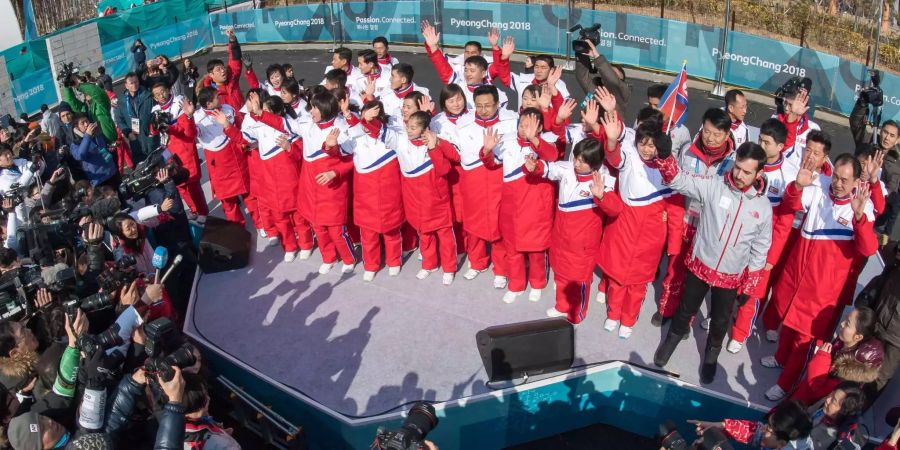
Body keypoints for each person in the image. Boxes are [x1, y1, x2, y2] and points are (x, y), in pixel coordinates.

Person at [762, 152, 879, 401]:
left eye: (845, 180)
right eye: (836, 176)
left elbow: (868, 249)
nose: (838, 183)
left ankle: (786, 383)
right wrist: (798, 186)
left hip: (822, 291)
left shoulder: (863, 207)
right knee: (788, 324)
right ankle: (780, 358)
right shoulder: (819, 186)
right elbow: (792, 203)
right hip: (797, 276)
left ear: (857, 182)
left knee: (803, 341)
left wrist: (858, 218)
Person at [653, 142, 772, 384]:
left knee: (719, 320)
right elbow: (679, 180)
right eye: (738, 168)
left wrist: (750, 285)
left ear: (759, 174)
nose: (739, 175)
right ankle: (672, 339)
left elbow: (760, 249)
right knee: (686, 308)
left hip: (730, 276)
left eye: (747, 172)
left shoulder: (763, 208)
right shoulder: (714, 185)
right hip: (700, 264)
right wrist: (665, 155)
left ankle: (710, 357)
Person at [599, 118, 684, 338]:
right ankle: (613, 314)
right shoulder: (630, 158)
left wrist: (673, 244)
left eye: (652, 145)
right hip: (624, 231)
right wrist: (610, 139)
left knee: (638, 285)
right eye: (643, 144)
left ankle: (628, 319)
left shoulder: (670, 168)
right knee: (617, 279)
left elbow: (675, 208)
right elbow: (614, 156)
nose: (647, 150)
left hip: (651, 238)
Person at [525, 137, 621, 324]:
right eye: (576, 157)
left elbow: (615, 209)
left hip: (583, 245)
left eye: (583, 161)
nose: (577, 163)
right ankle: (561, 305)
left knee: (579, 280)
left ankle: (577, 314)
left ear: (595, 163)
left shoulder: (604, 178)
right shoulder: (568, 168)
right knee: (560, 273)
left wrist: (601, 196)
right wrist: (534, 166)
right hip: (561, 238)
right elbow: (548, 168)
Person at [655, 108, 736, 327]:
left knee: (696, 280)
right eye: (707, 132)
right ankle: (666, 308)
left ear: (727, 135)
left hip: (709, 229)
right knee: (674, 269)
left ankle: (685, 319)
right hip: (684, 221)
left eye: (717, 134)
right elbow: (676, 184)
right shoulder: (688, 152)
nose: (710, 138)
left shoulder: (732, 163)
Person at [727, 118, 798, 353]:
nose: (761, 145)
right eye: (760, 139)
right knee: (728, 281)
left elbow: (785, 222)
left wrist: (772, 256)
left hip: (763, 248)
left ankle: (739, 333)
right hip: (738, 239)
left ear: (780, 146)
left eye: (766, 142)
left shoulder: (789, 175)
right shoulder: (749, 163)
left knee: (753, 291)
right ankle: (723, 316)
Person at [443, 85, 518, 288]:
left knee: (498, 226)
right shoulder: (463, 124)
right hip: (473, 181)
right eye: (479, 106)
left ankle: (501, 270)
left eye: (488, 105)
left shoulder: (511, 121)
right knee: (472, 224)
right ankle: (477, 263)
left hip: (499, 181)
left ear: (497, 104)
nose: (483, 109)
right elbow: (456, 154)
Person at [480, 108, 557, 303]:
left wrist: (535, 139)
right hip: (511, 205)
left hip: (535, 206)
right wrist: (487, 151)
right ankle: (516, 284)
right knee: (512, 248)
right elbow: (491, 164)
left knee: (536, 250)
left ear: (539, 127)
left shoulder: (547, 142)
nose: (525, 129)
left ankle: (538, 283)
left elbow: (552, 156)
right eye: (522, 124)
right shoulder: (506, 141)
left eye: (530, 125)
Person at [386, 111, 457, 283]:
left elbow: (444, 170)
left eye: (413, 127)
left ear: (425, 129)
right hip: (414, 199)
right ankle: (429, 264)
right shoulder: (401, 141)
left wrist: (433, 147)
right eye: (408, 126)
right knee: (424, 234)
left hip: (437, 200)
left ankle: (449, 268)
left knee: (445, 235)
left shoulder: (435, 142)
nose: (409, 130)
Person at [293, 91, 356, 275]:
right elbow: (283, 124)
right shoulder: (309, 125)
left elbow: (353, 160)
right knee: (318, 227)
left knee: (336, 230)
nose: (310, 111)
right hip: (311, 186)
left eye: (314, 108)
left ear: (325, 109)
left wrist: (334, 169)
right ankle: (328, 257)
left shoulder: (341, 129)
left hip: (332, 189)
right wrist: (260, 114)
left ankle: (348, 258)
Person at [341, 102, 405, 280]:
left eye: (373, 114)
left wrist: (369, 121)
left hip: (389, 191)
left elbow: (377, 129)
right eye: (365, 114)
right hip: (365, 193)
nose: (368, 118)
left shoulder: (392, 133)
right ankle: (371, 264)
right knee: (368, 233)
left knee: (391, 230)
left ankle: (394, 261)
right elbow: (339, 149)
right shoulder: (355, 136)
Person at [242, 93, 306, 263]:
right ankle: (290, 246)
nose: (262, 114)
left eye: (265, 111)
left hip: (290, 180)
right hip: (271, 183)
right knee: (280, 218)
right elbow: (243, 139)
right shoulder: (260, 128)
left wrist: (289, 148)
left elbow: (299, 154)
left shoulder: (289, 126)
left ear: (276, 113)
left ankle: (306, 244)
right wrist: (227, 126)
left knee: (298, 216)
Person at [193, 87, 257, 226]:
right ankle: (238, 229)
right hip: (219, 166)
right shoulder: (197, 118)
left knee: (249, 194)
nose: (220, 98)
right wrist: (186, 117)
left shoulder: (228, 108)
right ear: (209, 104)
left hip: (238, 160)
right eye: (216, 97)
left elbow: (241, 127)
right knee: (228, 202)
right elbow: (191, 133)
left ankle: (262, 225)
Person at [421, 21, 512, 110]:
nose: (468, 74)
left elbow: (499, 67)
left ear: (483, 73)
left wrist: (497, 49)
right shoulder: (458, 84)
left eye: (472, 71)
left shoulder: (495, 93)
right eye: (466, 70)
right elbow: (441, 65)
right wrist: (432, 46)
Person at [149, 82, 208, 221]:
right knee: (180, 185)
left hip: (185, 148)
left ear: (168, 89)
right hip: (168, 151)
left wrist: (169, 127)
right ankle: (194, 210)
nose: (161, 96)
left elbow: (187, 132)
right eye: (157, 95)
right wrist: (154, 127)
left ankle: (203, 213)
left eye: (162, 91)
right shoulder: (155, 109)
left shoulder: (180, 102)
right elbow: (153, 132)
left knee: (192, 183)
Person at [856, 241, 900, 399]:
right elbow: (886, 250)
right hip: (877, 320)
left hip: (896, 339)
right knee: (859, 360)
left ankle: (857, 411)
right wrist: (896, 249)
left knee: (880, 377)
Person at [689, 401, 813, 450]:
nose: (762, 428)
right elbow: (754, 431)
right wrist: (720, 426)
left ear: (781, 444)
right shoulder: (785, 435)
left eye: (768, 428)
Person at [201, 28, 259, 113]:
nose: (223, 71)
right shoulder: (209, 95)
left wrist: (232, 40)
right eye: (218, 70)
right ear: (211, 75)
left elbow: (235, 60)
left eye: (223, 67)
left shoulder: (232, 80)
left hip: (245, 122)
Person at [573, 38, 630, 117]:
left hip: (610, 127)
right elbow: (581, 76)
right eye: (609, 71)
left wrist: (597, 57)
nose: (607, 74)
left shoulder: (623, 93)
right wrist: (581, 52)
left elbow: (613, 81)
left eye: (615, 75)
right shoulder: (595, 89)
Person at [61, 71, 117, 144]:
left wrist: (78, 85)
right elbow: (72, 103)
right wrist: (67, 87)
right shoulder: (85, 107)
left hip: (108, 140)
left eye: (87, 89)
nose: (86, 92)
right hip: (96, 144)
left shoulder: (101, 103)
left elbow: (96, 93)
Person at [114, 71, 158, 163]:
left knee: (155, 164)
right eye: (132, 83)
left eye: (136, 82)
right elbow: (119, 120)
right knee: (141, 166)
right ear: (126, 85)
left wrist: (153, 127)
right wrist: (128, 133)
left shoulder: (148, 96)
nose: (135, 85)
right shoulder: (121, 101)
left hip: (150, 137)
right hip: (135, 139)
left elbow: (157, 113)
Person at [70, 113, 118, 188]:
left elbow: (103, 148)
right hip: (99, 180)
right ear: (77, 127)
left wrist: (110, 149)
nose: (86, 124)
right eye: (82, 123)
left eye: (87, 121)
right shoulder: (75, 144)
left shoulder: (97, 133)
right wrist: (87, 136)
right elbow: (80, 155)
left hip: (112, 172)